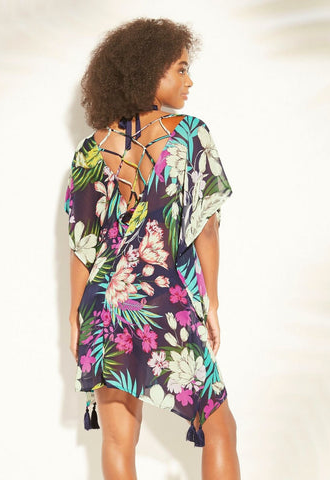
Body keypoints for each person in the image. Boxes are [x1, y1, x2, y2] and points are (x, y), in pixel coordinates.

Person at [64, 17, 241, 480]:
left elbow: (83, 243)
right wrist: (212, 302)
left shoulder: (90, 149)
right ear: (147, 71)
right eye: (180, 68)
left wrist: (75, 314)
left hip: (103, 303)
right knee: (219, 428)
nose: (189, 80)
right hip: (163, 297)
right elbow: (206, 228)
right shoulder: (189, 133)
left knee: (117, 441)